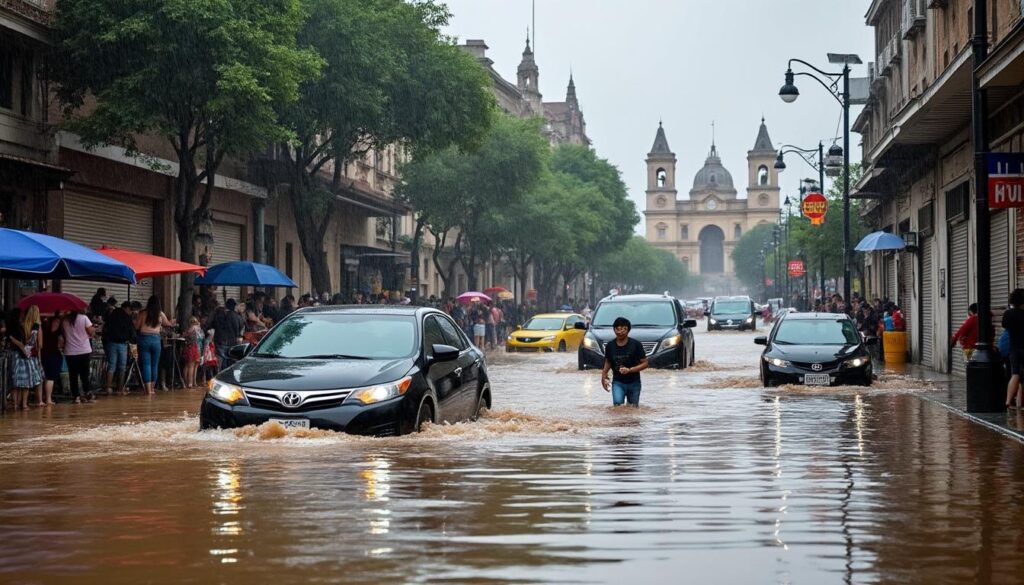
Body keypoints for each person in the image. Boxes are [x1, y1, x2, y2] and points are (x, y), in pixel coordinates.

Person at [600, 317, 649, 407]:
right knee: (618, 405)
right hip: (618, 382)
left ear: (628, 330)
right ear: (614, 330)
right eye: (617, 329)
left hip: (634, 382)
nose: (620, 332)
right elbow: (608, 361)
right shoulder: (610, 346)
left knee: (632, 408)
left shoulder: (636, 345)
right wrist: (603, 376)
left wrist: (630, 370)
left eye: (623, 329)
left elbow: (645, 363)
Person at [134, 295, 176, 395]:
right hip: (156, 340)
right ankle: (152, 389)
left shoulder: (143, 313)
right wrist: (172, 321)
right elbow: (168, 324)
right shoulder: (160, 314)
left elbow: (137, 326)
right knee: (154, 365)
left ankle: (147, 390)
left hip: (144, 339)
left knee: (146, 365)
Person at [62, 308, 96, 404]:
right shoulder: (84, 318)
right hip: (84, 351)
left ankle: (76, 397)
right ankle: (87, 394)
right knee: (84, 374)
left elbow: (64, 334)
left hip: (70, 352)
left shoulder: (65, 320)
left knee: (73, 375)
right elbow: (90, 332)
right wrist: (93, 330)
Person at [102, 298, 135, 394]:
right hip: (122, 344)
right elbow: (131, 331)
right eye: (130, 310)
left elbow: (106, 328)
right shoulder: (127, 317)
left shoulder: (112, 314)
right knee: (122, 367)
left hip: (111, 343)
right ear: (127, 308)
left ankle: (108, 388)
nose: (131, 312)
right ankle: (120, 389)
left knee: (111, 366)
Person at [205, 299, 243, 371]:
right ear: (234, 306)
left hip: (220, 341)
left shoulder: (219, 314)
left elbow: (211, 324)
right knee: (230, 361)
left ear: (226, 305)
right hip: (232, 342)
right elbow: (240, 327)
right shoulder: (237, 316)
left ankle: (220, 374)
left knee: (221, 361)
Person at [1004, 289, 1024, 409]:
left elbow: (1005, 325)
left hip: (1013, 347)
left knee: (1015, 374)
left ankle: (1008, 401)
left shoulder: (1008, 314)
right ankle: (1020, 403)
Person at [39, 312, 62, 405]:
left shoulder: (44, 328)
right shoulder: (58, 332)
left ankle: (43, 398)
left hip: (44, 354)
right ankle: (48, 399)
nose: (57, 324)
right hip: (53, 354)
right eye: (57, 321)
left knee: (45, 377)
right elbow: (60, 344)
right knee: (50, 378)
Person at [182, 317, 203, 388]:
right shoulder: (194, 328)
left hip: (192, 346)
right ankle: (190, 383)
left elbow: (185, 335)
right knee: (190, 366)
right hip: (192, 347)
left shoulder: (191, 328)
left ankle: (190, 383)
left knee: (189, 366)